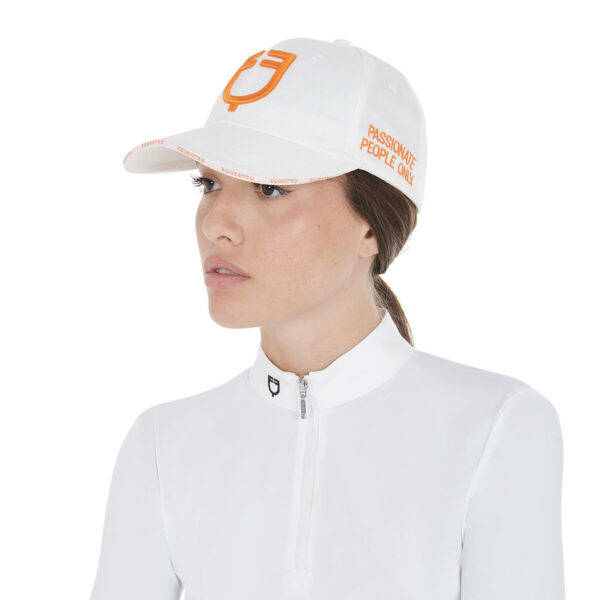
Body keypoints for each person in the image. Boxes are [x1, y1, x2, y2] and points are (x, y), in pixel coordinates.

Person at [89, 38, 565, 600]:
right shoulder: (161, 446)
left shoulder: (495, 427)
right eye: (209, 183)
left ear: (371, 225)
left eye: (270, 188)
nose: (216, 224)